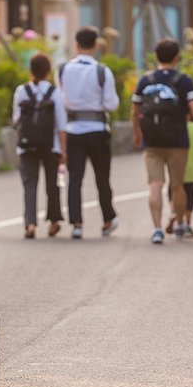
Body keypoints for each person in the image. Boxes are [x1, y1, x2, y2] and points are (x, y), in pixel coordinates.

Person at [131, 39, 193, 245]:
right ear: (176, 57)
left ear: (156, 56)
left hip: (152, 140)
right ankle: (178, 223)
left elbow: (135, 111)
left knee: (155, 185)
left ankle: (157, 229)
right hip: (178, 139)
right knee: (178, 185)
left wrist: (137, 132)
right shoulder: (184, 81)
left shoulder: (145, 80)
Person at [58, 27, 120, 239]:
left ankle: (76, 223)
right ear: (96, 45)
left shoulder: (63, 69)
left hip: (73, 129)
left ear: (76, 44)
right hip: (98, 130)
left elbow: (61, 99)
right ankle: (107, 219)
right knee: (103, 177)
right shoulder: (102, 71)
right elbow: (111, 104)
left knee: (75, 178)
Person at [12, 53, 67, 239]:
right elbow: (61, 124)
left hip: (26, 145)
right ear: (48, 71)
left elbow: (16, 120)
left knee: (29, 184)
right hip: (50, 145)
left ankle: (30, 224)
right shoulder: (55, 92)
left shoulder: (22, 91)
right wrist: (63, 151)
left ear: (31, 70)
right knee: (53, 184)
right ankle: (53, 222)